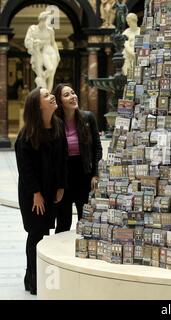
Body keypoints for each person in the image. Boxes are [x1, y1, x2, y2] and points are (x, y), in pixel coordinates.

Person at [15, 87, 67, 295]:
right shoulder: (26, 134)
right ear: (38, 105)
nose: (51, 96)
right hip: (32, 194)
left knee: (46, 233)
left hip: (52, 189)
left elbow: (62, 159)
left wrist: (61, 186)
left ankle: (41, 276)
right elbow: (25, 169)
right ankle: (32, 278)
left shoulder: (58, 125)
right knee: (35, 233)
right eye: (46, 96)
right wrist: (36, 193)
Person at [53, 84, 102, 232]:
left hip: (84, 174)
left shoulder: (88, 117)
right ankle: (60, 254)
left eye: (73, 93)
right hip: (64, 177)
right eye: (67, 95)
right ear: (60, 101)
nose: (73, 96)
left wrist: (96, 174)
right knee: (63, 223)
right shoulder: (55, 123)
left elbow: (97, 148)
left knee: (86, 221)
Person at [24, 11, 60, 91]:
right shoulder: (33, 29)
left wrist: (57, 54)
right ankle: (42, 84)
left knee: (51, 75)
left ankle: (49, 93)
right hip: (39, 52)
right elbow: (27, 42)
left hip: (50, 51)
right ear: (42, 20)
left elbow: (53, 43)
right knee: (48, 70)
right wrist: (34, 42)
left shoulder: (50, 30)